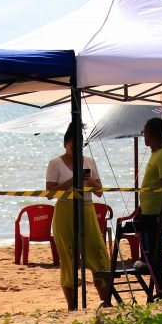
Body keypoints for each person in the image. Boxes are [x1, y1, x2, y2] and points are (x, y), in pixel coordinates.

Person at [45, 123, 112, 310]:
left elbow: (99, 192)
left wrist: (88, 179)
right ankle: (72, 306)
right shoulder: (56, 163)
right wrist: (72, 181)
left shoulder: (89, 161)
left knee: (99, 255)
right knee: (69, 259)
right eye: (72, 147)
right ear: (65, 145)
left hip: (87, 209)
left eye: (79, 147)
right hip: (65, 211)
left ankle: (106, 302)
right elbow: (50, 193)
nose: (76, 151)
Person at [135, 116, 162, 299]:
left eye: (145, 133)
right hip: (148, 213)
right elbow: (151, 185)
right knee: (150, 257)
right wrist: (141, 208)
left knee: (156, 258)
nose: (144, 136)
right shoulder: (154, 154)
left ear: (153, 134)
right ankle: (160, 291)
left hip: (157, 215)